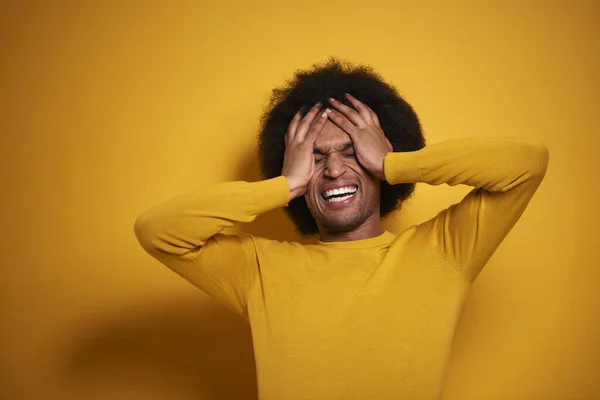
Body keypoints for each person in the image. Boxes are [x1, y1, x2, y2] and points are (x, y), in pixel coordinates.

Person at [134, 59, 549, 400]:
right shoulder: (258, 269)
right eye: (314, 159)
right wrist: (285, 185)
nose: (333, 170)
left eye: (352, 152)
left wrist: (394, 164)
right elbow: (157, 230)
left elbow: (527, 163)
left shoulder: (444, 251)